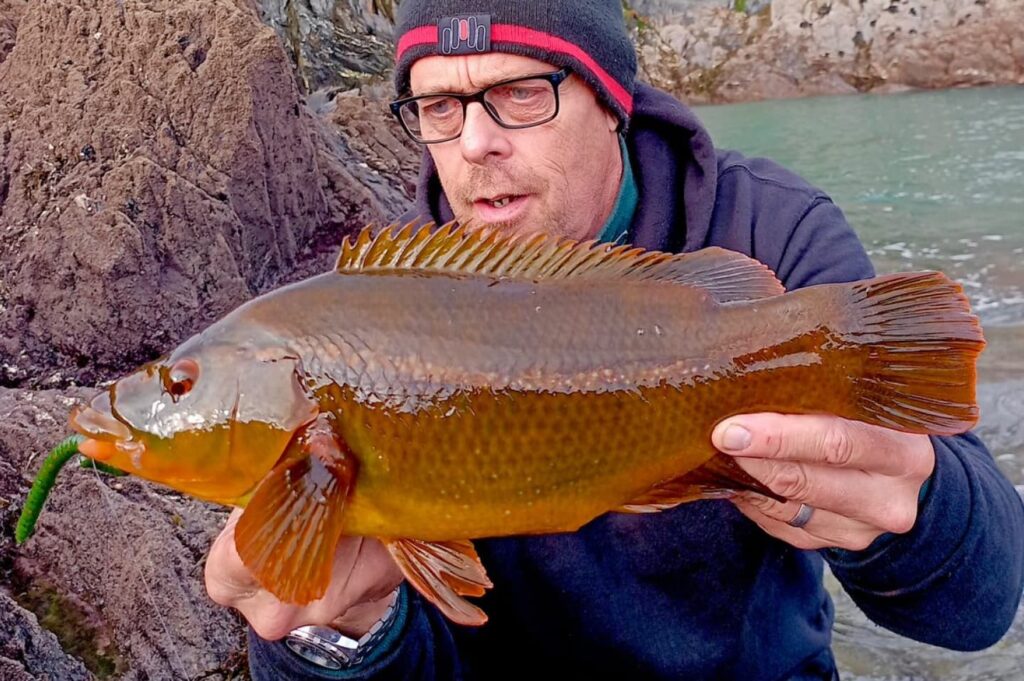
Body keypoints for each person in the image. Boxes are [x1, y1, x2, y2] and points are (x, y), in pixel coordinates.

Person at [204, 1, 1024, 678]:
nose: (476, 142)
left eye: (520, 92)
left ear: (609, 99)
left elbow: (981, 607)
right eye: (439, 108)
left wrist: (912, 512)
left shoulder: (767, 228)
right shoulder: (362, 319)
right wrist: (339, 632)